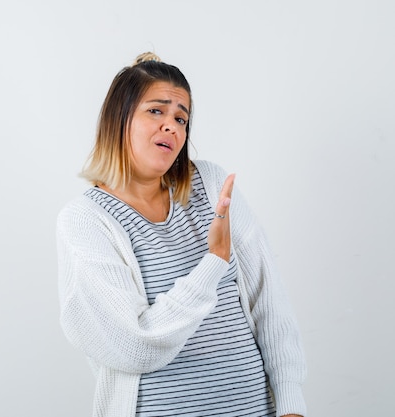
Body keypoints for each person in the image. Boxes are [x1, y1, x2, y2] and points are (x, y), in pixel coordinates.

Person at [56, 52, 307, 417]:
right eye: (155, 111)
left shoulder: (211, 184)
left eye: (181, 118)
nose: (171, 126)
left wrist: (290, 404)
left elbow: (270, 303)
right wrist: (213, 262)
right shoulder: (86, 221)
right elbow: (133, 347)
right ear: (118, 119)